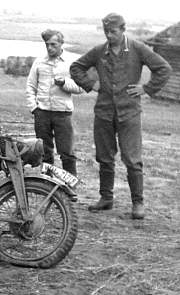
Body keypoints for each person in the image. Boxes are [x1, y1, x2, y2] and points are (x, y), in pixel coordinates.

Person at [70, 13, 171, 219]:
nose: (109, 35)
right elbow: (76, 67)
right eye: (106, 31)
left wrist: (147, 89)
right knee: (104, 157)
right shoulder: (99, 51)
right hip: (104, 113)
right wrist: (91, 84)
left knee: (133, 159)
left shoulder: (137, 48)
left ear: (123, 29)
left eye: (113, 31)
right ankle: (106, 198)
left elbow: (163, 68)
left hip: (129, 113)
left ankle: (138, 203)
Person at [26, 29, 84, 177]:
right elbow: (30, 86)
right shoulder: (39, 62)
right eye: (47, 44)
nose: (50, 48)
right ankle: (47, 182)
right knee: (44, 152)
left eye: (53, 44)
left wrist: (64, 83)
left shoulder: (72, 63)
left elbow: (80, 87)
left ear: (61, 44)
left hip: (63, 113)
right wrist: (34, 108)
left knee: (67, 152)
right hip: (42, 114)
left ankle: (70, 186)